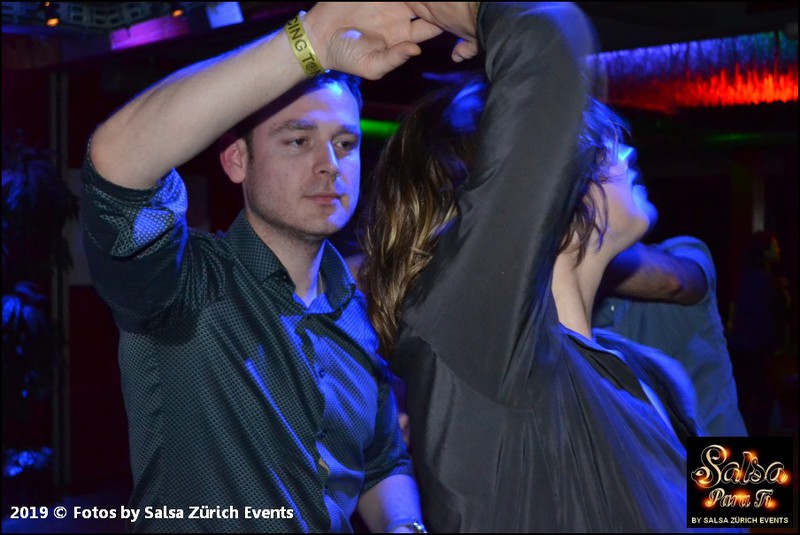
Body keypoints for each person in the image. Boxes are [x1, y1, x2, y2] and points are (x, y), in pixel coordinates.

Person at [80, 3, 443, 532]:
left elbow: (381, 461)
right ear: (236, 160)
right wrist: (310, 40)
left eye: (345, 144)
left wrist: (403, 524)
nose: (330, 165)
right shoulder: (184, 285)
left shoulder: (357, 313)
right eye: (298, 141)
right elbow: (115, 164)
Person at [357, 3, 713, 532]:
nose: (622, 150)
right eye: (589, 143)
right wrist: (478, 9)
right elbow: (547, 44)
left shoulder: (654, 375)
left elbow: (741, 509)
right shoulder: (487, 361)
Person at [593, 235, 748, 437]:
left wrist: (583, 259)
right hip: (654, 453)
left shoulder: (683, 250)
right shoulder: (581, 303)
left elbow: (674, 282)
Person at [727, 230, 792, 436]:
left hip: (743, 347)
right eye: (774, 246)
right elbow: (768, 318)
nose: (778, 250)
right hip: (758, 348)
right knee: (761, 403)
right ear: (765, 252)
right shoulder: (764, 282)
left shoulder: (747, 278)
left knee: (745, 399)